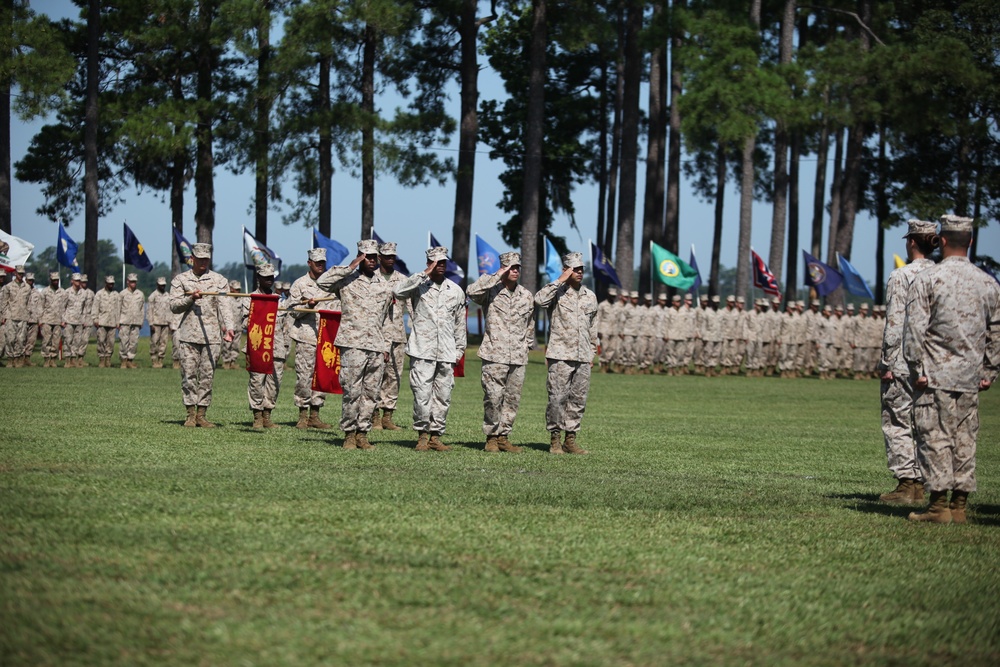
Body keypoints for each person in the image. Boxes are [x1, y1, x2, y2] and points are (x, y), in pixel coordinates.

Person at [903, 215, 1000, 523]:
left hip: (935, 375)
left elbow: (914, 329)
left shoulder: (928, 280)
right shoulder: (988, 283)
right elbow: (996, 331)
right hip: (971, 377)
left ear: (942, 240)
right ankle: (959, 507)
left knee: (935, 437)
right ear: (970, 242)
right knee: (965, 439)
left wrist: (914, 367)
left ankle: (937, 507)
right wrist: (989, 370)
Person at [877, 219, 937, 504]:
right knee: (927, 423)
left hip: (903, 360)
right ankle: (924, 482)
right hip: (935, 362)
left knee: (898, 420)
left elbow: (895, 322)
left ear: (911, 242)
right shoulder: (941, 274)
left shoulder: (901, 276)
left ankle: (907, 484)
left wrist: (887, 362)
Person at [316, 240, 393, 450]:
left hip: (376, 345)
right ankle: (349, 433)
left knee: (371, 393)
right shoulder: (346, 280)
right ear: (359, 257)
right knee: (351, 391)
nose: (370, 260)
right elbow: (322, 283)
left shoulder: (385, 286)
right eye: (366, 256)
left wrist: (386, 346)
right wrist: (349, 267)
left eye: (373, 256)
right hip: (352, 344)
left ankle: (363, 433)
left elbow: (387, 319)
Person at [393, 246, 467, 452]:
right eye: (436, 262)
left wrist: (459, 351)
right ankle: (422, 436)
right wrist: (424, 274)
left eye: (443, 262)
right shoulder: (418, 285)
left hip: (446, 352)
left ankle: (436, 436)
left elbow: (460, 324)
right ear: (428, 263)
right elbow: (397, 292)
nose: (440, 266)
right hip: (422, 351)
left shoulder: (455, 290)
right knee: (422, 395)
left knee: (443, 397)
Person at [467, 251, 534, 453]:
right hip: (494, 354)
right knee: (493, 397)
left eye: (517, 268)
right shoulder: (490, 291)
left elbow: (529, 324)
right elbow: (471, 291)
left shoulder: (526, 295)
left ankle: (504, 436)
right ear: (503, 268)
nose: (514, 271)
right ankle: (491, 437)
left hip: (518, 355)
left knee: (512, 399)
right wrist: (497, 274)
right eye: (510, 267)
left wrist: (527, 345)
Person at [534, 251, 598, 455]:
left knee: (578, 400)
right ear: (565, 270)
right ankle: (555, 439)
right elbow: (539, 301)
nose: (579, 273)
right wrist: (559, 280)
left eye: (581, 269)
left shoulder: (590, 296)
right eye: (574, 269)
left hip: (583, 355)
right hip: (560, 354)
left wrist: (592, 352)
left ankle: (571, 439)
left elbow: (593, 326)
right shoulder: (557, 292)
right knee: (557, 398)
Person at [169, 243, 236, 427]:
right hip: (188, 336)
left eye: (206, 259)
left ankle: (201, 414)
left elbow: (225, 306)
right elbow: (174, 306)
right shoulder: (181, 280)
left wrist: (229, 328)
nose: (203, 262)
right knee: (189, 375)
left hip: (212, 336)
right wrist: (191, 298)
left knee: (207, 377)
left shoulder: (219, 280)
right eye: (200, 259)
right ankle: (190, 414)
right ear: (192, 259)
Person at [288, 248, 335, 429]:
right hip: (306, 336)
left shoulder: (330, 284)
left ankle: (315, 414)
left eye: (323, 263)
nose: (321, 266)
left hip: (326, 338)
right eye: (317, 263)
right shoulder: (300, 284)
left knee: (321, 377)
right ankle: (302, 414)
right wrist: (307, 305)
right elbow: (291, 311)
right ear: (309, 263)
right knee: (304, 376)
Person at [242, 263, 285, 430]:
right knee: (257, 381)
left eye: (271, 277)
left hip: (276, 346)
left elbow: (286, 322)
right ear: (258, 278)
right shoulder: (251, 298)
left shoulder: (279, 300)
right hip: (258, 346)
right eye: (265, 277)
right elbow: (244, 321)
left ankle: (267, 415)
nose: (269, 280)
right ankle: (257, 416)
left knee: (274, 383)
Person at [372, 241, 409, 431]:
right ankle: (374, 416)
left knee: (394, 377)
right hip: (377, 334)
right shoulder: (371, 278)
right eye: (387, 256)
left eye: (393, 256)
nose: (391, 259)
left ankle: (388, 416)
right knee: (376, 375)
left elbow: (411, 308)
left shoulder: (402, 280)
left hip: (397, 335)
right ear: (380, 258)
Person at [0, 265, 30, 366]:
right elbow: (3, 302)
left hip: (23, 317)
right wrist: (5, 315)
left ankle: (17, 358)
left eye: (22, 274)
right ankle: (10, 359)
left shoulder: (27, 287)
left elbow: (29, 303)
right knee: (10, 339)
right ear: (15, 273)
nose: (21, 275)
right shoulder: (8, 287)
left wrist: (28, 313)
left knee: (21, 339)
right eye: (19, 273)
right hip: (11, 316)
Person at [92, 276, 121, 368]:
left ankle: (108, 359)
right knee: (101, 340)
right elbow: (95, 307)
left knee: (111, 342)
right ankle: (101, 359)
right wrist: (95, 319)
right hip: (102, 321)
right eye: (110, 283)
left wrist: (118, 321)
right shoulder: (99, 294)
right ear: (106, 283)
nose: (111, 285)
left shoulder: (116, 294)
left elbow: (118, 309)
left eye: (112, 283)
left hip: (112, 322)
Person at [118, 273, 146, 368]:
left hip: (136, 321)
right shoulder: (122, 294)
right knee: (123, 341)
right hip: (125, 320)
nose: (133, 283)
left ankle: (130, 360)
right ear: (128, 282)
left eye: (135, 282)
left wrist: (141, 321)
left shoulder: (140, 294)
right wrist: (117, 321)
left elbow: (142, 309)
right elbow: (118, 308)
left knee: (134, 342)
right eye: (132, 282)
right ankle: (123, 360)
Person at [39, 272, 66, 367]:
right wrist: (40, 319)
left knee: (56, 340)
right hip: (47, 319)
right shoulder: (45, 291)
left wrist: (64, 319)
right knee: (46, 340)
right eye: (54, 280)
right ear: (50, 280)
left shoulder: (62, 292)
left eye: (57, 280)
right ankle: (46, 359)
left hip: (58, 320)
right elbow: (40, 306)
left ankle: (53, 359)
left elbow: (64, 306)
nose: (56, 282)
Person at [61, 273, 87, 367]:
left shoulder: (83, 293)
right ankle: (67, 360)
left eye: (79, 280)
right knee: (68, 340)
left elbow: (84, 308)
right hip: (69, 320)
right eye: (76, 280)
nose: (78, 282)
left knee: (77, 341)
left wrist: (83, 319)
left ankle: (73, 359)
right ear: (72, 281)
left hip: (79, 320)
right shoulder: (67, 292)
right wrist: (63, 320)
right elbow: (62, 307)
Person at [147, 277, 172, 368]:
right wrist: (151, 323)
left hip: (165, 322)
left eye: (164, 285)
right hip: (156, 323)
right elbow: (149, 310)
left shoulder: (168, 296)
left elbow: (170, 310)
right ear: (157, 285)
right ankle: (154, 360)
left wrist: (170, 322)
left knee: (164, 342)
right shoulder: (153, 296)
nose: (162, 287)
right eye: (161, 285)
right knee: (154, 342)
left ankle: (161, 360)